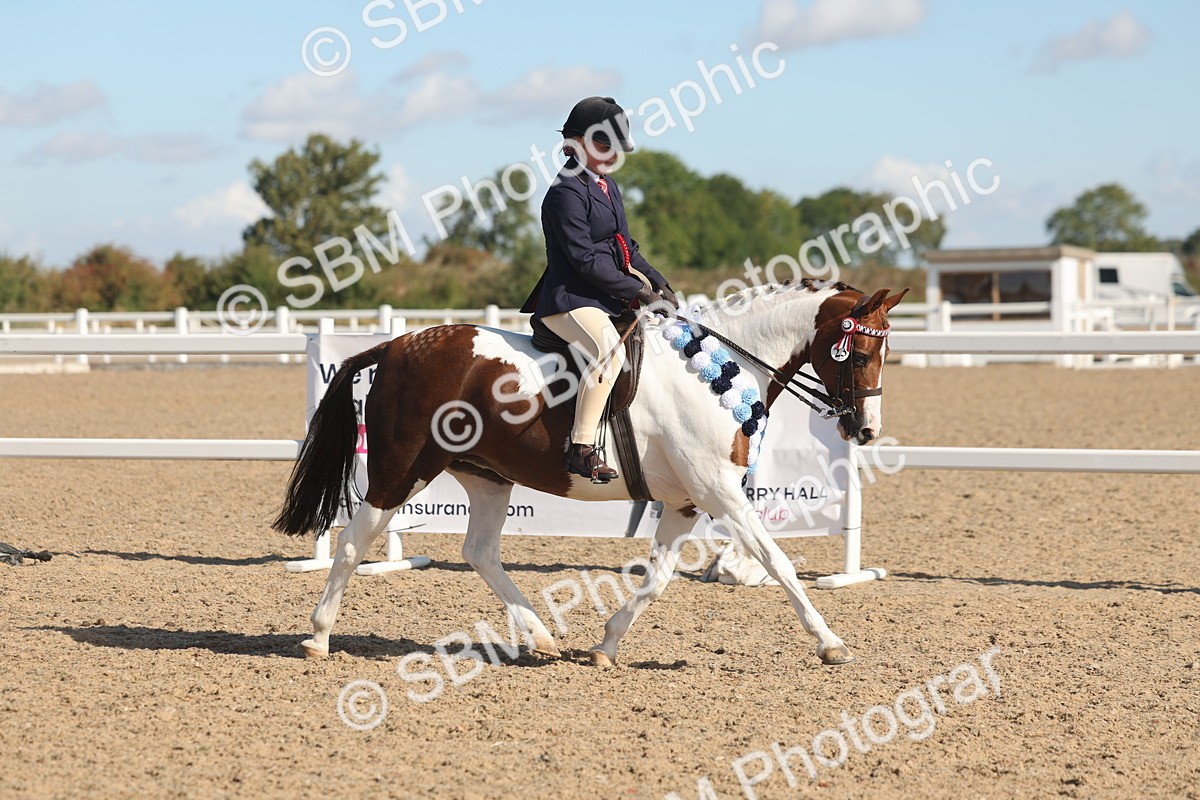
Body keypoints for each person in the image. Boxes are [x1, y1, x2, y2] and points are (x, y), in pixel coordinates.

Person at [520, 96, 678, 483]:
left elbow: (626, 248)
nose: (612, 156)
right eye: (604, 145)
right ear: (576, 143)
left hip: (600, 294)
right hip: (569, 298)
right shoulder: (565, 192)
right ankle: (581, 448)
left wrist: (660, 283)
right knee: (608, 350)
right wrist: (639, 294)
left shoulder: (608, 187)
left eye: (615, 148)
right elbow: (584, 259)